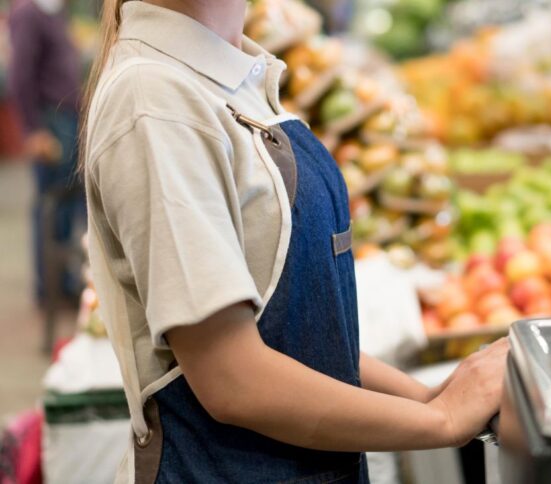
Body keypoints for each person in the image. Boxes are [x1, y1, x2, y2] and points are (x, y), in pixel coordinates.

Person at [80, 0, 509, 482]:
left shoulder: (231, 74)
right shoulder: (155, 100)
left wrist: (429, 397)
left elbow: (285, 336)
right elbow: (231, 377)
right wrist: (442, 419)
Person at [9, 0, 85, 307]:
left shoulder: (55, 10)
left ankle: (64, 282)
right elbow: (20, 75)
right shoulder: (29, 13)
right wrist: (33, 129)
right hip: (51, 121)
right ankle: (50, 288)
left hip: (67, 117)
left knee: (67, 205)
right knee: (51, 205)